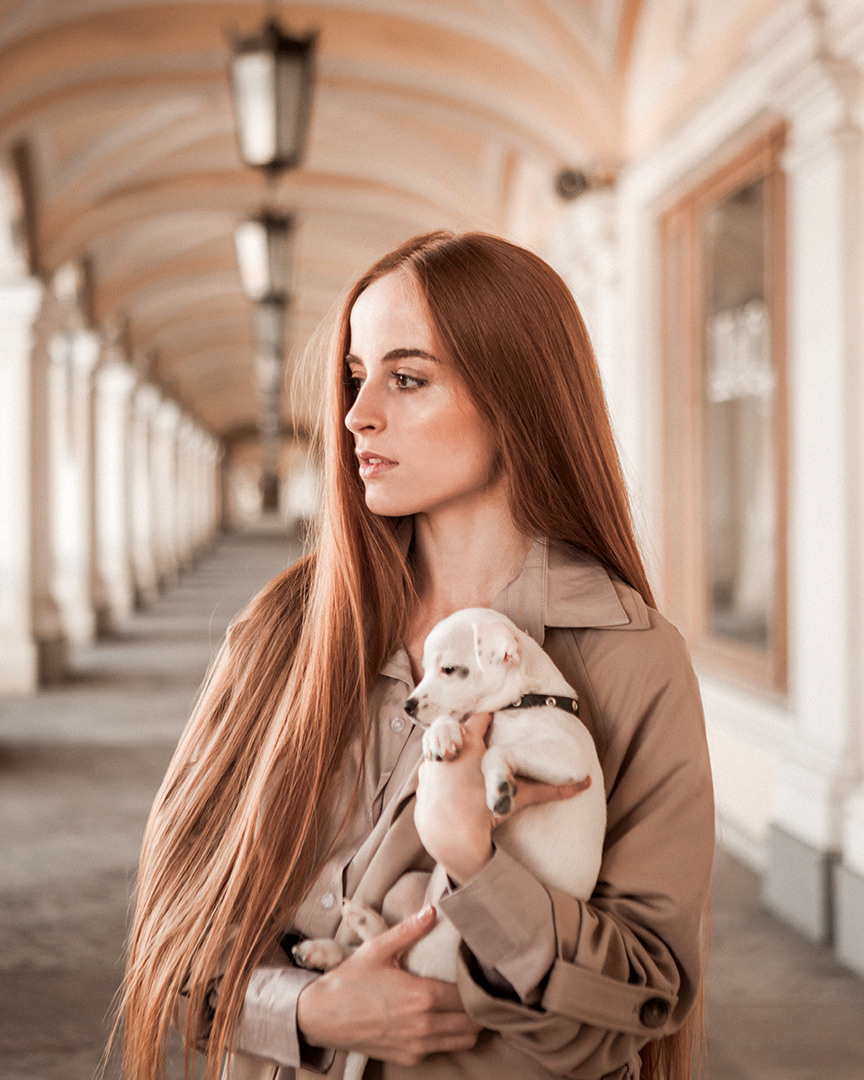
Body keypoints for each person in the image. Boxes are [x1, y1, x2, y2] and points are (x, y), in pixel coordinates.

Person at [119, 231, 714, 1080]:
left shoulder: (631, 658)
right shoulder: (282, 631)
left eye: (407, 378)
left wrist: (473, 864)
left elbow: (638, 1007)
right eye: (357, 378)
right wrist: (309, 1011)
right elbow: (171, 946)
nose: (357, 414)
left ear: (519, 397)